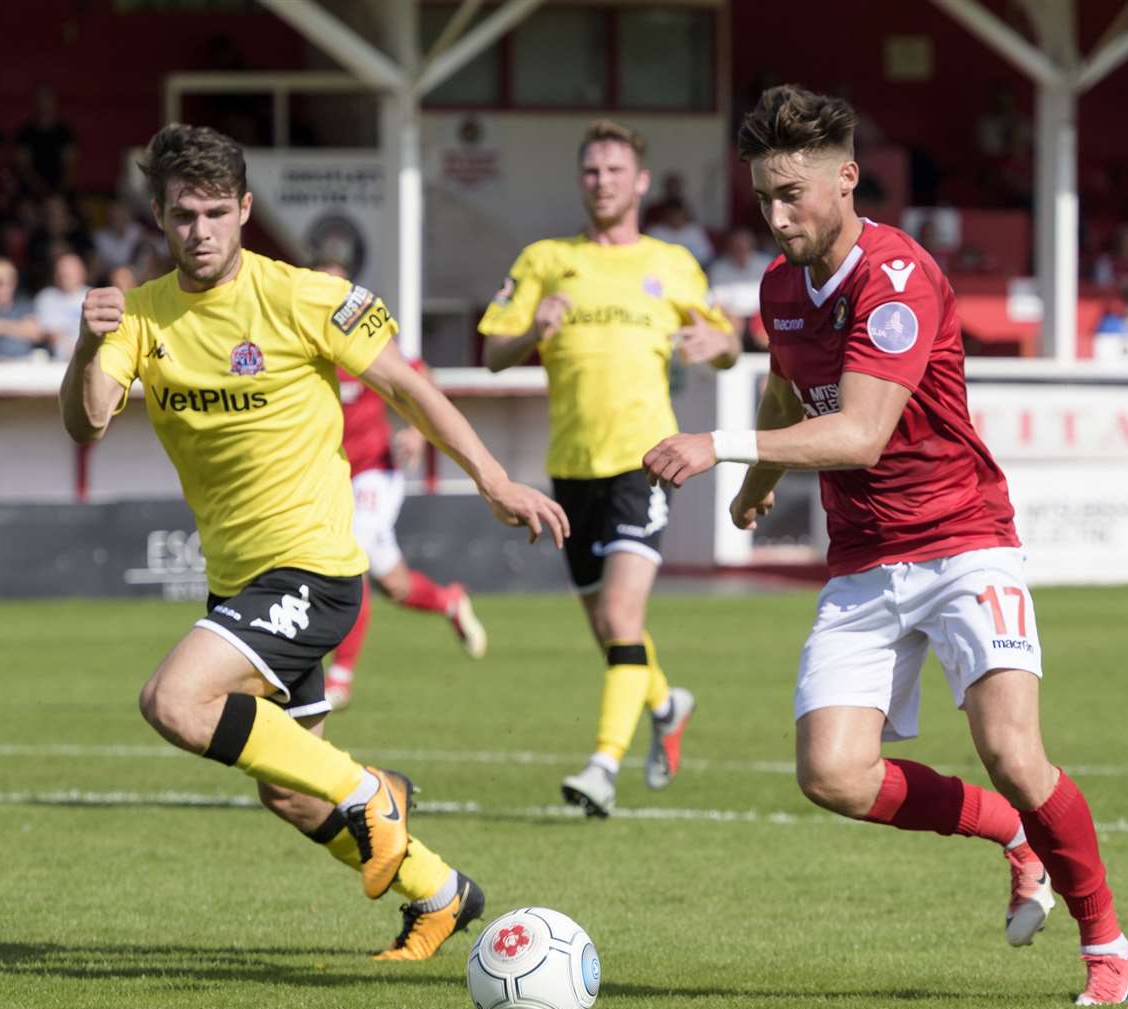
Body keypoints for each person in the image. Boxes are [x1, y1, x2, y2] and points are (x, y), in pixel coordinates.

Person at [644, 85, 1128, 1006]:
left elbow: (862, 433)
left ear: (846, 179)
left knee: (1013, 752)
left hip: (962, 541)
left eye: (791, 192)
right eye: (761, 196)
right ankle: (1011, 836)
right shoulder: (779, 285)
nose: (775, 213)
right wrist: (758, 482)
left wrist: (719, 450)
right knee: (830, 774)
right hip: (864, 558)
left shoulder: (898, 278)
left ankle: (1105, 940)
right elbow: (790, 391)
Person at [58, 123, 568, 960]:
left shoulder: (301, 296)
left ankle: (371, 794)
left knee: (173, 702)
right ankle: (442, 895)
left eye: (217, 212)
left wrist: (493, 479)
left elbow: (408, 386)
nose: (201, 231)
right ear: (159, 215)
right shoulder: (140, 316)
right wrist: (86, 340)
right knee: (290, 796)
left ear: (246, 210)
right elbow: (87, 423)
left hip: (314, 568)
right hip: (239, 582)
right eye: (184, 214)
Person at [479, 119, 740, 817]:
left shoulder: (674, 263)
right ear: (580, 180)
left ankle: (600, 767)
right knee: (607, 627)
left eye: (615, 171)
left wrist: (717, 341)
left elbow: (728, 345)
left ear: (641, 182)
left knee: (623, 613)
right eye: (592, 171)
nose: (603, 182)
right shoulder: (545, 259)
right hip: (572, 467)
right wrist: (534, 331)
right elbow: (491, 353)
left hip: (645, 461)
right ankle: (665, 701)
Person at [310, 260, 488, 711]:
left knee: (354, 553)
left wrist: (415, 430)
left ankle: (341, 677)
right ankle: (449, 602)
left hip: (375, 469)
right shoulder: (300, 343)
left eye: (338, 287)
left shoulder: (362, 338)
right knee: (394, 584)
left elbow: (419, 377)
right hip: (328, 475)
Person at [708, 226, 774, 349]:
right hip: (732, 316)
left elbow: (776, 296)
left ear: (752, 246)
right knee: (729, 324)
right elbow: (716, 302)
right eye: (736, 246)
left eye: (744, 245)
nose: (740, 249)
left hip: (762, 315)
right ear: (729, 247)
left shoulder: (766, 263)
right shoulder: (719, 268)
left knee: (767, 326)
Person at [33, 249, 90, 364]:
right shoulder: (46, 298)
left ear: (82, 273)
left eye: (70, 272)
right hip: (55, 361)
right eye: (62, 271)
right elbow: (48, 333)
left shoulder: (93, 295)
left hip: (89, 357)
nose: (65, 275)